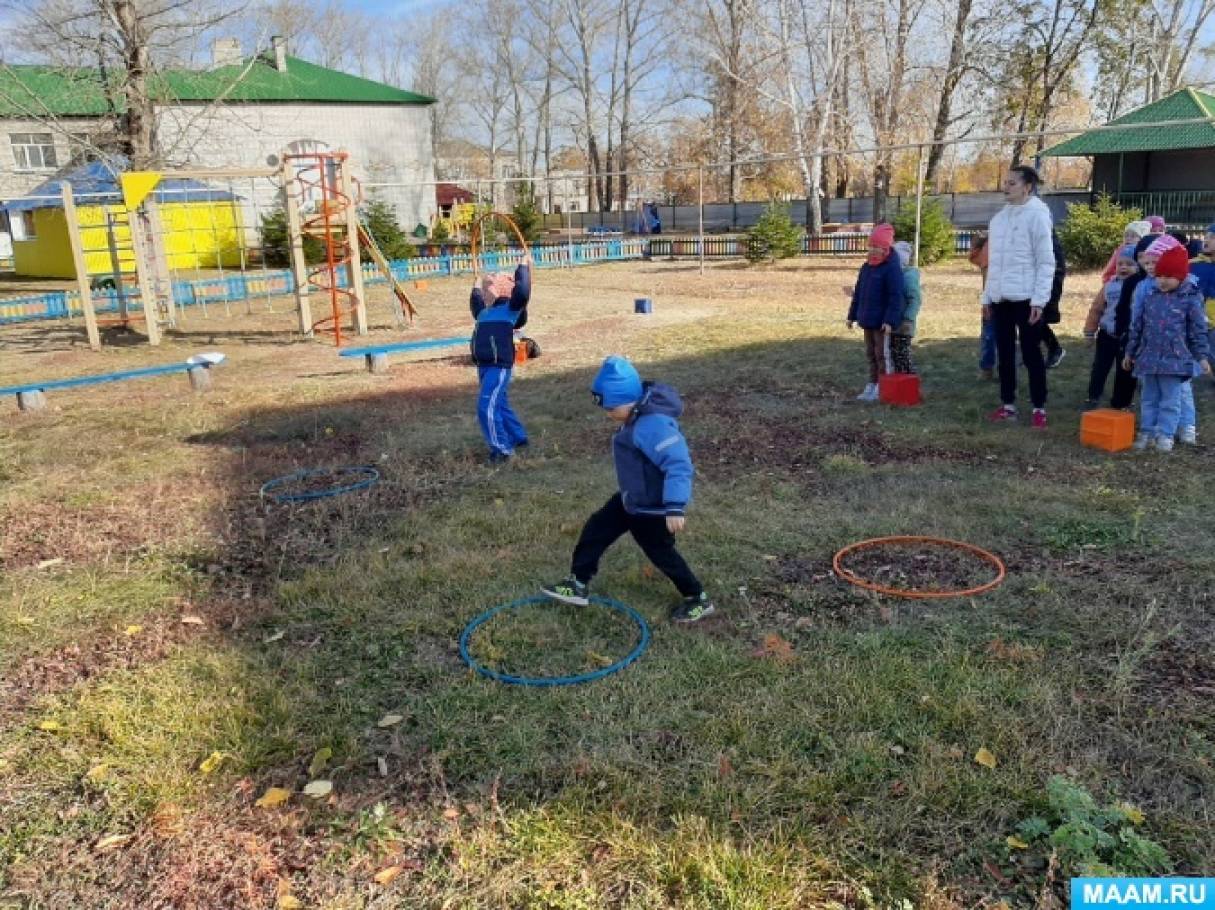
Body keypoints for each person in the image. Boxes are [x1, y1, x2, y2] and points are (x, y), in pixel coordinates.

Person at [542, 356, 714, 623]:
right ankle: (577, 583)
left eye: (612, 408)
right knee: (596, 529)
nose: (608, 414)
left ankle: (697, 598)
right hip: (631, 500)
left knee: (661, 553)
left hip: (653, 508)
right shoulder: (635, 415)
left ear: (629, 400)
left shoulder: (653, 426)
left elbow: (678, 465)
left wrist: (675, 506)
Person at [983, 165, 1055, 429]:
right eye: (1005, 182)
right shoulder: (999, 220)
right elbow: (994, 263)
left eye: (1012, 183)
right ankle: (1008, 405)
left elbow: (1046, 261)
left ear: (1027, 187)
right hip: (1001, 298)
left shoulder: (1037, 216)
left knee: (1031, 352)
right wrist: (987, 297)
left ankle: (1039, 407)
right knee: (1004, 353)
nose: (1006, 187)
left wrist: (1039, 300)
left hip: (1026, 299)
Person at [1123, 243, 1211, 452]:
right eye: (1160, 276)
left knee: (1170, 401)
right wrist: (1130, 351)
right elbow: (1138, 326)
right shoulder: (1150, 297)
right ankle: (1147, 431)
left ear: (1180, 276)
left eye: (1168, 276)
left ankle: (1166, 435)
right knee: (1149, 398)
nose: (1162, 280)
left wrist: (1202, 356)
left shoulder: (1190, 299)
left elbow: (1197, 331)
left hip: (1175, 360)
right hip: (1149, 358)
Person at [470, 256, 532, 464]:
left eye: (499, 279)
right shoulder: (486, 313)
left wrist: (522, 266)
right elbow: (476, 304)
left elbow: (523, 291)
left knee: (486, 407)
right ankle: (517, 437)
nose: (494, 280)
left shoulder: (510, 310)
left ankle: (502, 450)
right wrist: (477, 285)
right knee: (500, 403)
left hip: (498, 366)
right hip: (485, 366)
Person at [846, 223, 905, 401]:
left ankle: (883, 385)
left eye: (876, 247)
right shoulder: (866, 268)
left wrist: (890, 320)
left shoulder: (891, 268)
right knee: (870, 353)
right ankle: (872, 384)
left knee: (882, 354)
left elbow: (896, 297)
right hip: (867, 319)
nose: (872, 251)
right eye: (870, 246)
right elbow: (858, 293)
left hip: (881, 323)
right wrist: (852, 315)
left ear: (885, 248)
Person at [1082, 245, 1138, 410]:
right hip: (1107, 335)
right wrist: (1089, 332)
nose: (1123, 267)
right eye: (1120, 263)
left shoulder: (1140, 286)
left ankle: (1122, 401)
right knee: (1100, 367)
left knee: (1126, 370)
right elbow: (1096, 309)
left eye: (1129, 264)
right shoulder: (1109, 286)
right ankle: (1093, 396)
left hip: (1127, 337)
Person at [890, 240, 921, 373]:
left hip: (904, 325)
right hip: (893, 324)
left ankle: (909, 381)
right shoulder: (894, 276)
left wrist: (908, 319)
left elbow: (915, 300)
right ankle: (898, 382)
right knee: (894, 355)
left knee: (903, 355)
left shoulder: (908, 277)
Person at [968, 233, 996, 379]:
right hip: (994, 297)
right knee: (991, 334)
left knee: (989, 335)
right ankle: (989, 368)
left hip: (995, 298)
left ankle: (987, 369)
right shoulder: (989, 247)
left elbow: (987, 277)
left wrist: (986, 300)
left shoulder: (989, 249)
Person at [1041, 230, 1067, 369]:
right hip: (1040, 282)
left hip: (1049, 283)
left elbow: (1056, 266)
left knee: (1038, 319)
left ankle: (1055, 349)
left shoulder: (1049, 238)